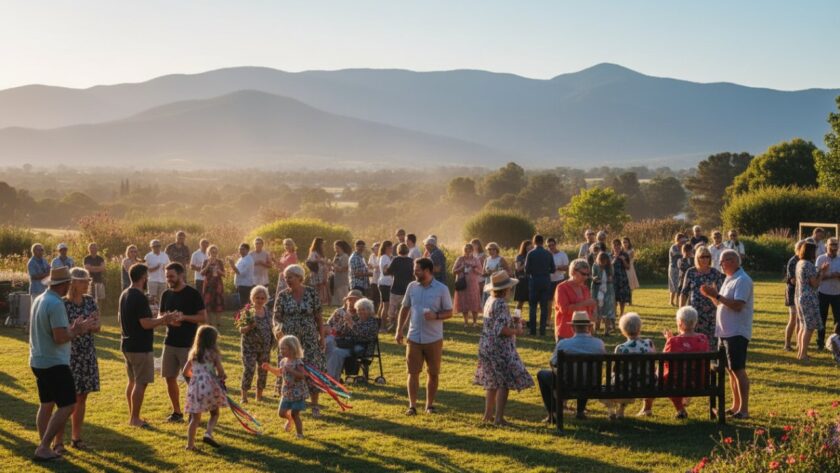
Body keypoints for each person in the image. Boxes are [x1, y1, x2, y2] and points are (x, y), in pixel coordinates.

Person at [29, 266, 96, 461]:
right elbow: (60, 337)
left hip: (38, 360)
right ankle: (44, 447)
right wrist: (79, 330)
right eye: (69, 282)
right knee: (68, 405)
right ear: (64, 284)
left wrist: (73, 328)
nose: (71, 285)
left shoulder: (40, 299)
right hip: (54, 362)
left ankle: (46, 447)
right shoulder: (56, 304)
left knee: (46, 404)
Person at [395, 257, 454, 415]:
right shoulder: (412, 287)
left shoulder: (441, 289)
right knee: (412, 372)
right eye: (414, 270)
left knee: (433, 373)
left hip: (433, 339)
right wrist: (399, 329)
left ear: (427, 271)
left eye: (417, 270)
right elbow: (405, 308)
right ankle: (412, 406)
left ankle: (429, 405)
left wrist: (436, 316)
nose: (414, 273)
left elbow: (450, 312)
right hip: (413, 337)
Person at [700, 249, 754, 419]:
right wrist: (712, 296)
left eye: (723, 261)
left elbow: (738, 305)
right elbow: (721, 304)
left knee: (738, 370)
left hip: (736, 332)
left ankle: (744, 410)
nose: (721, 264)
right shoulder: (729, 279)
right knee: (731, 371)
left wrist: (716, 294)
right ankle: (735, 405)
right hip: (724, 332)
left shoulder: (743, 280)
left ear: (733, 261)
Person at [119, 263, 174, 428]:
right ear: (143, 277)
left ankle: (133, 416)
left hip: (127, 343)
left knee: (132, 381)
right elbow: (146, 323)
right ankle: (135, 418)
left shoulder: (125, 294)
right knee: (140, 383)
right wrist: (165, 319)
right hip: (140, 346)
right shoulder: (139, 297)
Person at [474, 271, 533, 425]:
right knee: (503, 383)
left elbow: (494, 322)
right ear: (506, 289)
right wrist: (517, 331)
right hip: (499, 348)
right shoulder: (501, 303)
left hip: (486, 345)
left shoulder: (490, 300)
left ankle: (488, 416)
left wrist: (511, 320)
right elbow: (501, 330)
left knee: (492, 382)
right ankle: (499, 418)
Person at [53, 268, 101, 451]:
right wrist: (76, 328)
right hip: (69, 354)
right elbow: (59, 331)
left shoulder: (90, 301)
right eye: (83, 281)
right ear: (73, 282)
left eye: (88, 281)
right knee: (66, 399)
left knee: (82, 397)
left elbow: (98, 327)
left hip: (87, 353)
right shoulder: (62, 304)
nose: (87, 284)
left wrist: (91, 326)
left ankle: (76, 438)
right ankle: (57, 441)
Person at [272, 264, 325, 416]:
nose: (287, 280)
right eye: (286, 277)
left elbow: (319, 317)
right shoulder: (282, 295)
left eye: (291, 277)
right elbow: (276, 318)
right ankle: (289, 404)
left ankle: (315, 405)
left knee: (312, 368)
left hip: (309, 337)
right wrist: (278, 332)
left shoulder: (311, 293)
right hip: (290, 340)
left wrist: (321, 337)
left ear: (300, 278)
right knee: (290, 370)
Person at [537, 311, 606, 422]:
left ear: (572, 327)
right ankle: (580, 412)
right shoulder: (599, 344)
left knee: (542, 374)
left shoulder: (564, 344)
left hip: (566, 384)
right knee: (584, 375)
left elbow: (552, 362)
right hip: (592, 385)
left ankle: (553, 414)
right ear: (589, 327)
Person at [160, 262, 207, 423]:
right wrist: (168, 320)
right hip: (170, 343)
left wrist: (184, 317)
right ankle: (177, 412)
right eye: (167, 277)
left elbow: (203, 317)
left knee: (190, 380)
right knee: (169, 377)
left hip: (188, 345)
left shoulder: (193, 294)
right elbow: (161, 314)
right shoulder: (166, 294)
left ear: (181, 275)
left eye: (171, 276)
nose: (169, 279)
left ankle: (194, 412)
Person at [183, 325, 227, 451]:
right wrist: (221, 376)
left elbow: (185, 372)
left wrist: (197, 376)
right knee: (214, 413)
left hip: (196, 387)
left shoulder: (193, 354)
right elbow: (221, 372)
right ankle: (208, 433)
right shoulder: (214, 354)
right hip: (210, 387)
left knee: (195, 418)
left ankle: (190, 445)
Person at [662, 306, 709, 419]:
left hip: (676, 383)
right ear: (695, 322)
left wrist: (668, 341)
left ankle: (680, 409)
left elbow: (663, 359)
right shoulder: (703, 338)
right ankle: (681, 409)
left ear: (680, 323)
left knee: (663, 378)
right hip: (699, 382)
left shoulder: (673, 341)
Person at [607, 313, 655, 419]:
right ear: (639, 328)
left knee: (617, 377)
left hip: (625, 384)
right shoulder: (649, 344)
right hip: (647, 383)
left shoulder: (620, 348)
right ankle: (647, 408)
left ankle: (620, 410)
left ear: (623, 331)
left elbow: (616, 369)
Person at [263, 335, 309, 438]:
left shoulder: (298, 362)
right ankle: (289, 419)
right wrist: (269, 368)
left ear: (292, 348)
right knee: (281, 413)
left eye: (283, 348)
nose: (281, 351)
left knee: (295, 414)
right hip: (286, 392)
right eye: (280, 348)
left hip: (297, 393)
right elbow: (279, 373)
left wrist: (291, 370)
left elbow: (302, 376)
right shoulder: (283, 361)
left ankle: (299, 434)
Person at [679, 245, 725, 348]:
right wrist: (681, 312)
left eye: (707, 256)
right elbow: (684, 292)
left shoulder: (715, 273)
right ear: (697, 258)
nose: (705, 259)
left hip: (711, 314)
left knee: (711, 342)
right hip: (694, 314)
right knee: (693, 342)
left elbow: (721, 295)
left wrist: (714, 294)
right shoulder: (691, 272)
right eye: (702, 256)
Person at [325, 297, 378, 380]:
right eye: (359, 310)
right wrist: (345, 323)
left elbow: (363, 334)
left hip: (363, 347)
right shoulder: (357, 320)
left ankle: (332, 377)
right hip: (351, 344)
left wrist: (351, 322)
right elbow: (345, 332)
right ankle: (333, 377)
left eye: (363, 309)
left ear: (369, 310)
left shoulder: (372, 321)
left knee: (336, 351)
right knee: (331, 346)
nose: (361, 312)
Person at [239, 285, 274, 403]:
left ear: (266, 299)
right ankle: (244, 396)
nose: (260, 300)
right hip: (250, 347)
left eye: (262, 298)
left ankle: (259, 396)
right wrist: (249, 326)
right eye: (257, 298)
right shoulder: (247, 311)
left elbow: (273, 328)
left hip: (265, 348)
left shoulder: (268, 312)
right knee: (249, 369)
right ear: (252, 298)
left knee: (263, 371)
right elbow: (241, 330)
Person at [795, 241, 829, 361]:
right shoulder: (808, 265)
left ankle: (800, 352)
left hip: (800, 297)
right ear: (810, 251)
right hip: (809, 298)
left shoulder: (800, 263)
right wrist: (822, 273)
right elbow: (814, 283)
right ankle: (803, 354)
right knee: (809, 327)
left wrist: (819, 271)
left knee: (804, 326)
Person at [554, 258, 596, 341]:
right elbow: (564, 310)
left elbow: (590, 310)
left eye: (587, 274)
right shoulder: (562, 288)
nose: (586, 277)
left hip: (585, 333)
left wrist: (594, 313)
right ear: (573, 272)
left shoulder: (585, 288)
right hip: (566, 333)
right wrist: (584, 303)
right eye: (583, 274)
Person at [525, 234, 556, 336]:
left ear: (534, 242)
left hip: (534, 281)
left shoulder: (530, 253)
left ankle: (533, 331)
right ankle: (542, 331)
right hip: (545, 281)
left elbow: (526, 270)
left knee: (533, 306)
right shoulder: (548, 253)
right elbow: (553, 269)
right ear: (543, 242)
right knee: (544, 307)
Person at [815, 238, 840, 350]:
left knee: (838, 320)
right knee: (821, 319)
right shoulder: (820, 259)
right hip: (823, 293)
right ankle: (820, 344)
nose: (834, 247)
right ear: (827, 246)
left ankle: (836, 343)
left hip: (837, 293)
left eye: (836, 245)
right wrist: (829, 275)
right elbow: (816, 277)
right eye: (832, 245)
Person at [453, 243, 483, 328]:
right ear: (464, 250)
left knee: (474, 302)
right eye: (466, 249)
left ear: (472, 250)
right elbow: (454, 271)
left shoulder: (476, 260)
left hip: (473, 284)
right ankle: (466, 322)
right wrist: (461, 268)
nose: (468, 251)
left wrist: (474, 268)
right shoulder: (460, 259)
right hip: (463, 283)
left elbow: (481, 272)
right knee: (464, 302)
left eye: (469, 249)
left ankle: (475, 322)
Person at [386, 243, 414, 332]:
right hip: (407, 288)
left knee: (393, 309)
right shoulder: (411, 261)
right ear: (407, 251)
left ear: (398, 251)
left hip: (396, 288)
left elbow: (388, 272)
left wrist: (386, 269)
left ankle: (392, 325)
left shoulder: (396, 260)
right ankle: (405, 325)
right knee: (406, 308)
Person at [784, 241, 803, 351]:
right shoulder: (793, 261)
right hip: (792, 292)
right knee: (793, 319)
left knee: (801, 320)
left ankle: (799, 344)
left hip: (802, 292)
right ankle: (787, 344)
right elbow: (793, 281)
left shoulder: (805, 260)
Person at [200, 245, 226, 327]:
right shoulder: (205, 261)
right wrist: (208, 265)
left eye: (215, 252)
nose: (214, 253)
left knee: (218, 301)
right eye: (212, 251)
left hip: (218, 284)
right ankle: (209, 321)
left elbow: (224, 274)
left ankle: (218, 322)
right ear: (209, 252)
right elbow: (202, 273)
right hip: (208, 284)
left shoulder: (220, 262)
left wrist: (218, 270)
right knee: (208, 302)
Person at [591, 251, 615, 336]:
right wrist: (595, 278)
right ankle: (596, 329)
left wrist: (610, 279)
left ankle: (607, 330)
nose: (603, 263)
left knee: (608, 310)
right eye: (601, 261)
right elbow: (593, 276)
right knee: (597, 310)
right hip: (597, 290)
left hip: (608, 290)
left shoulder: (610, 266)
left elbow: (612, 276)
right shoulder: (595, 265)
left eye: (605, 261)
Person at [228, 243, 255, 310]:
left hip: (245, 285)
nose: (240, 251)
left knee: (244, 305)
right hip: (240, 285)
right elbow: (236, 270)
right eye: (239, 249)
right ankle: (242, 318)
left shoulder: (248, 260)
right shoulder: (241, 258)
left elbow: (239, 272)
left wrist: (232, 265)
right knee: (241, 304)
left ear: (247, 250)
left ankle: (245, 318)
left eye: (242, 249)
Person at [144, 239, 170, 306]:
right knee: (152, 298)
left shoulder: (165, 255)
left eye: (158, 246)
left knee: (162, 298)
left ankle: (161, 312)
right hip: (152, 280)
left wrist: (165, 268)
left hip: (163, 280)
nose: (157, 247)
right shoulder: (148, 256)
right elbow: (145, 269)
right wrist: (155, 268)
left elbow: (169, 267)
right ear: (151, 247)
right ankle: (153, 313)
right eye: (155, 246)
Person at [611, 239, 632, 316]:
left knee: (622, 298)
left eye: (618, 245)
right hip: (613, 279)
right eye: (614, 245)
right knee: (613, 297)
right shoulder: (610, 255)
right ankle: (614, 312)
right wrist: (614, 258)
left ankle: (622, 312)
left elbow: (628, 267)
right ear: (612, 246)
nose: (616, 247)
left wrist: (623, 260)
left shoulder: (625, 255)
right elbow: (608, 267)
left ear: (620, 246)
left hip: (622, 278)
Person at [307, 238, 330, 305]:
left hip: (322, 271)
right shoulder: (313, 252)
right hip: (316, 271)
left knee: (322, 286)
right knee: (317, 286)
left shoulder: (320, 253)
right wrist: (319, 261)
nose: (323, 245)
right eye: (322, 244)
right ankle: (317, 301)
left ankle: (321, 301)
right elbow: (310, 260)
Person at [377, 240, 395, 327]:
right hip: (385, 284)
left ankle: (378, 324)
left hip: (385, 283)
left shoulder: (388, 257)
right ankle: (383, 326)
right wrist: (394, 272)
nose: (391, 249)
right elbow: (385, 271)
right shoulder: (384, 257)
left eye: (391, 247)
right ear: (385, 248)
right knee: (386, 306)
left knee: (383, 304)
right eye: (389, 247)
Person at [330, 240, 351, 306]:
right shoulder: (336, 256)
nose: (335, 249)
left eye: (337, 248)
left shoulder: (345, 256)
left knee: (343, 299)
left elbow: (343, 269)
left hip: (343, 281)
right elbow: (334, 268)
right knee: (338, 300)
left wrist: (333, 264)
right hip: (337, 280)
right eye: (335, 248)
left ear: (341, 248)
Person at [668, 233, 687, 306]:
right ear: (678, 240)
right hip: (673, 268)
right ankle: (671, 301)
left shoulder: (683, 247)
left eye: (684, 240)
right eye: (682, 240)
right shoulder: (673, 247)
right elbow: (678, 254)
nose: (683, 242)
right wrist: (684, 250)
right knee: (673, 285)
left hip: (680, 268)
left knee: (679, 285)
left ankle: (677, 302)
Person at [513, 240, 531, 313]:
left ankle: (532, 320)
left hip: (531, 280)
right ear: (524, 248)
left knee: (532, 302)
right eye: (529, 247)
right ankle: (516, 318)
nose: (530, 249)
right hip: (522, 281)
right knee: (520, 302)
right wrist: (527, 262)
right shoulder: (519, 256)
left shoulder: (533, 255)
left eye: (532, 247)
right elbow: (518, 268)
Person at [367, 241, 381, 309]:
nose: (375, 250)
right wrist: (375, 267)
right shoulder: (372, 256)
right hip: (373, 279)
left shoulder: (382, 256)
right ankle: (373, 310)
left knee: (379, 296)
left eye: (378, 249)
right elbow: (369, 265)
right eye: (374, 249)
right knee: (373, 296)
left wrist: (375, 267)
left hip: (380, 279)